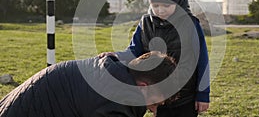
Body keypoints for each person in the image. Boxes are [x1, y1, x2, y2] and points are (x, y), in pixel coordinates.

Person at [99, 0, 210, 116]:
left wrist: (203, 94)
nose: (161, 10)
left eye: (166, 5)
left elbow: (202, 60)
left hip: (186, 99)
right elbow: (133, 51)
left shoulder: (190, 24)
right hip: (158, 96)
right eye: (155, 5)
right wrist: (117, 56)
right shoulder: (145, 24)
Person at [0, 51, 177, 117]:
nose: (154, 111)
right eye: (155, 103)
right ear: (143, 87)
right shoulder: (115, 102)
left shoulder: (114, 72)